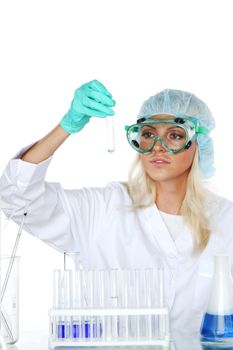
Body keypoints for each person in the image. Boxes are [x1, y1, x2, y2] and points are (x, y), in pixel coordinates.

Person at [1, 79, 233, 342]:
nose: (158, 146)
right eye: (147, 134)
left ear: (198, 143)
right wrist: (66, 126)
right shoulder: (102, 209)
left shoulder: (227, 221)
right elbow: (16, 198)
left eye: (175, 135)